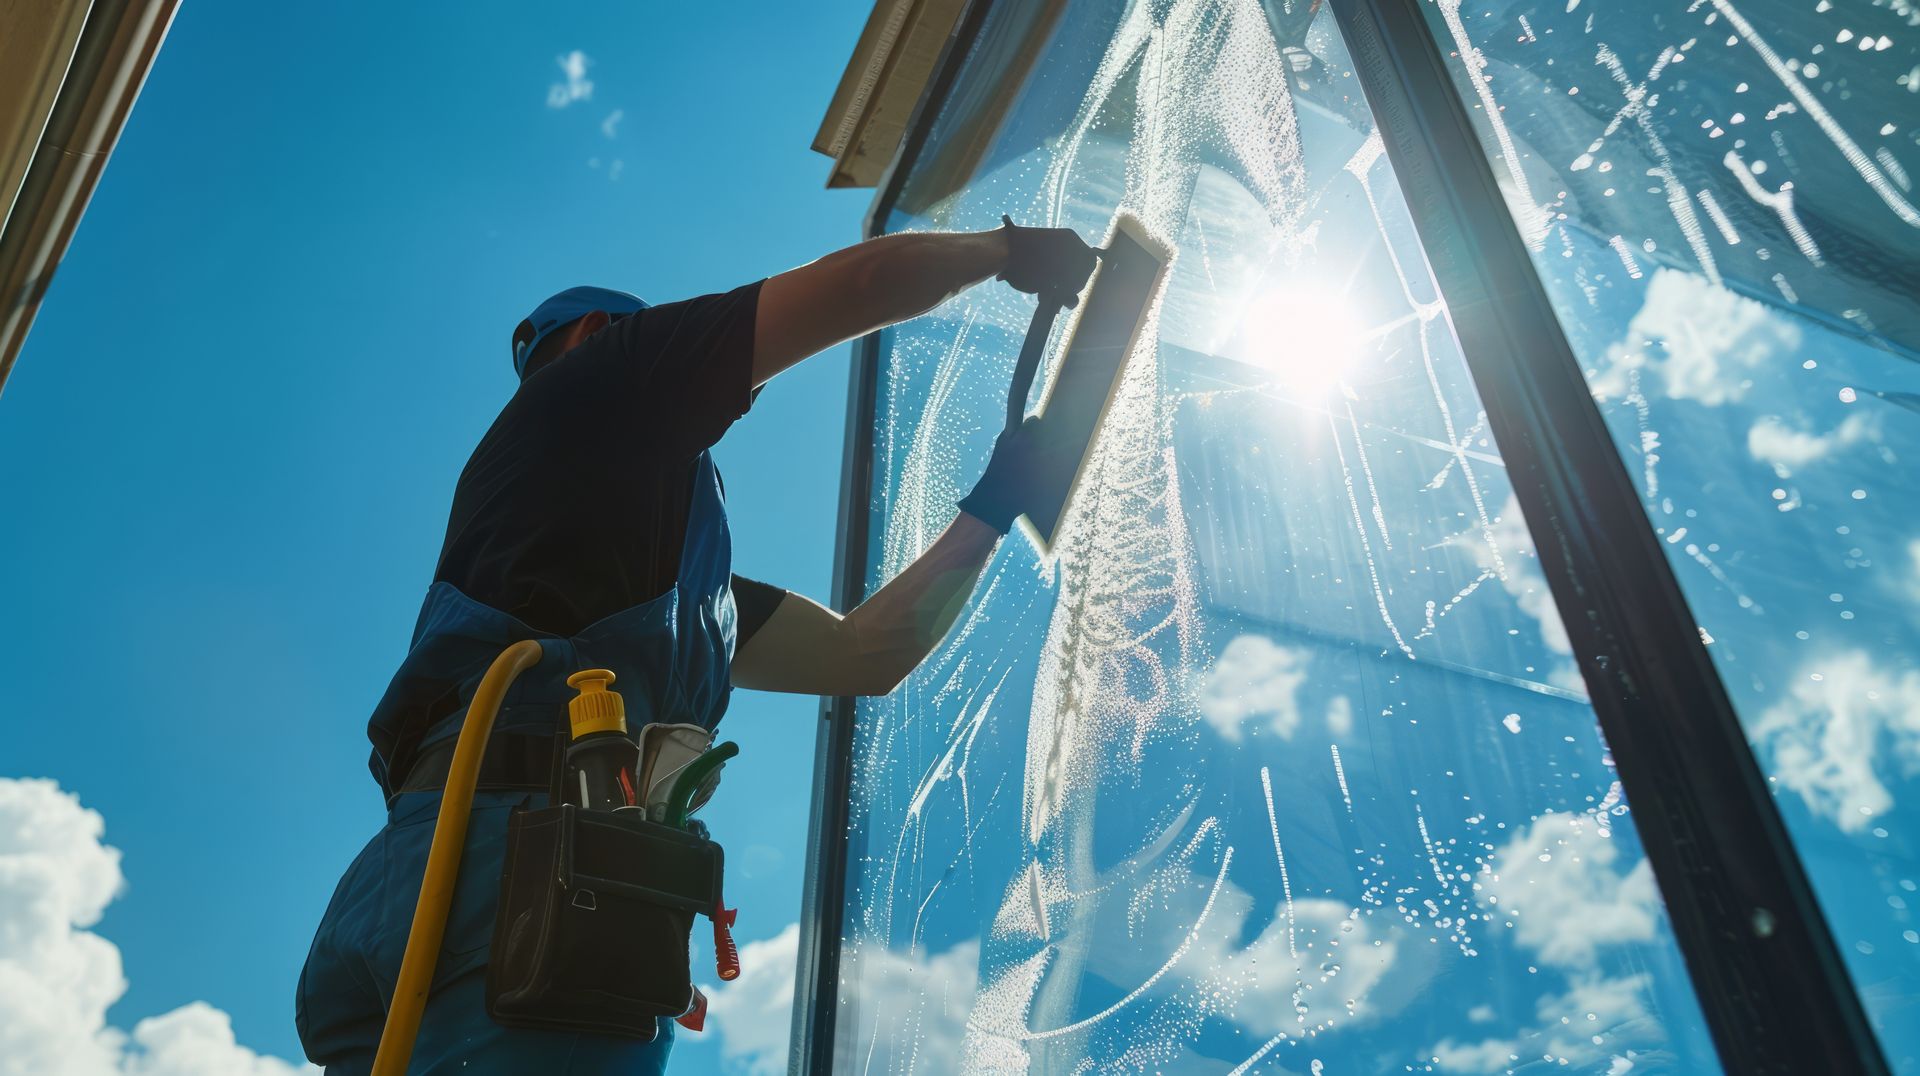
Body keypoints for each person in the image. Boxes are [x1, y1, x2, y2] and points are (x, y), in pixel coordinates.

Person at [294, 220, 1099, 1074]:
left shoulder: (671, 590)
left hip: (411, 880)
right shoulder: (606, 379)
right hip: (537, 882)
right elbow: (861, 287)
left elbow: (864, 656)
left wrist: (991, 504)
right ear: (603, 333)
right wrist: (1008, 252)